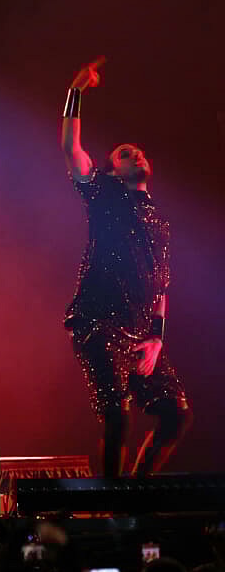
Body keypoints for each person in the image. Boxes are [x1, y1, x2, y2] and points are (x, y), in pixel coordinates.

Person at [60, 58, 191, 477]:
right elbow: (71, 149)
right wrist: (75, 92)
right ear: (113, 168)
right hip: (98, 323)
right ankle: (113, 506)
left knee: (176, 414)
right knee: (118, 414)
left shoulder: (160, 222)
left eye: (138, 151)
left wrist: (156, 337)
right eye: (125, 153)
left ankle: (135, 492)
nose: (136, 154)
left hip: (140, 332)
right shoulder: (102, 193)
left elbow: (162, 286)